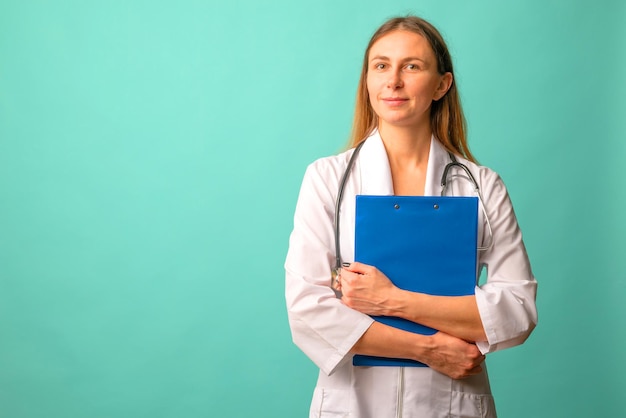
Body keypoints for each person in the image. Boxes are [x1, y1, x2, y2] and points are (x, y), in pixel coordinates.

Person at [285, 15, 537, 418]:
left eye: (412, 66)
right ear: (367, 80)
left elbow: (518, 309)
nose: (393, 81)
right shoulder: (326, 179)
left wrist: (392, 301)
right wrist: (431, 350)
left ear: (442, 85)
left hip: (452, 404)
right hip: (354, 402)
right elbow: (307, 309)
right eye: (381, 65)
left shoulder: (481, 185)